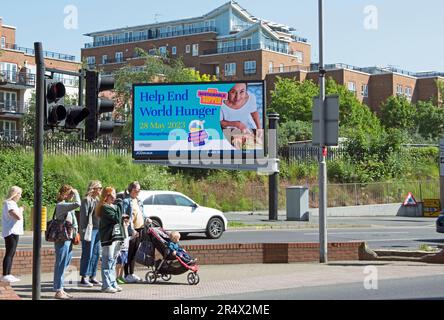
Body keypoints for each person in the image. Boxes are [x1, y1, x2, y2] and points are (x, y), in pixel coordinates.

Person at [53, 185, 80, 300]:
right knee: (60, 263)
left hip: (68, 238)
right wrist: (77, 193)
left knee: (65, 262)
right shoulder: (61, 205)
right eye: (70, 193)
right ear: (65, 194)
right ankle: (58, 290)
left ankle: (61, 289)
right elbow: (78, 204)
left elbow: (73, 221)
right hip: (62, 238)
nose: (72, 196)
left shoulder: (66, 206)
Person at [97, 187, 124, 293]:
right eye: (112, 194)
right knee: (107, 261)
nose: (115, 196)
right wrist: (120, 206)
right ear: (107, 196)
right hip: (108, 238)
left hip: (116, 236)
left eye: (115, 193)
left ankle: (113, 283)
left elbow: (120, 220)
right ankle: (106, 285)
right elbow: (117, 219)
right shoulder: (105, 207)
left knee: (113, 261)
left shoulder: (115, 206)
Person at [220, 83, 262, 149]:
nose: (238, 97)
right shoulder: (220, 102)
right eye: (233, 92)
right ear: (227, 91)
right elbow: (220, 123)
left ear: (246, 91)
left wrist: (259, 128)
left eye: (242, 92)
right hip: (226, 131)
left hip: (244, 130)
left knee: (256, 146)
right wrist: (237, 124)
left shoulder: (251, 97)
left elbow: (254, 112)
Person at [78, 180, 102, 287]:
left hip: (98, 229)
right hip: (90, 229)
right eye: (99, 188)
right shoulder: (86, 200)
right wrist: (83, 231)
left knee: (96, 253)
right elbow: (83, 217)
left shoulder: (97, 200)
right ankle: (84, 277)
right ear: (94, 188)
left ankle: (93, 276)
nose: (101, 190)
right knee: (88, 253)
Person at [122, 181, 144, 283]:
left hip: (140, 229)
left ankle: (132, 273)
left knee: (134, 252)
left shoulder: (138, 200)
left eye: (139, 190)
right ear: (131, 190)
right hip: (132, 230)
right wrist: (132, 230)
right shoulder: (126, 201)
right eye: (136, 190)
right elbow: (125, 217)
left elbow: (142, 213)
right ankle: (126, 275)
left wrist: (146, 219)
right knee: (128, 252)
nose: (138, 192)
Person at [1, 186, 24, 283]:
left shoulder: (12, 203)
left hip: (14, 231)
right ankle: (5, 274)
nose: (20, 196)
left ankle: (8, 274)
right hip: (11, 232)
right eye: (19, 194)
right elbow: (17, 216)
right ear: (15, 194)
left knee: (11, 253)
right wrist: (21, 209)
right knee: (9, 253)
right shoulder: (10, 203)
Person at [116, 214, 134, 284]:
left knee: (123, 264)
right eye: (125, 222)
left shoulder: (126, 229)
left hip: (126, 249)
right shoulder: (120, 229)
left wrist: (133, 237)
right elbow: (118, 240)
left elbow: (127, 239)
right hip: (121, 249)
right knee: (119, 264)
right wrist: (118, 250)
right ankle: (117, 277)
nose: (127, 223)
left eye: (127, 222)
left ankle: (120, 276)